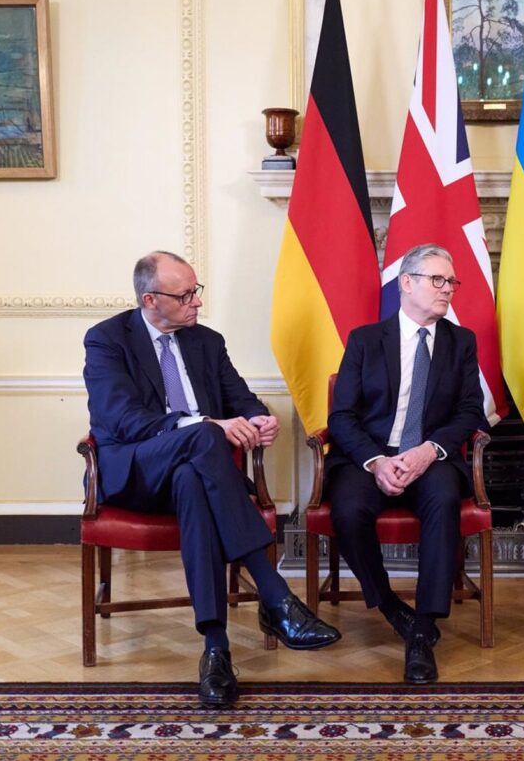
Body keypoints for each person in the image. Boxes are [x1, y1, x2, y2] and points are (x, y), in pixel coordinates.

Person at [83, 251, 340, 708]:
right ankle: (275, 595)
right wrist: (206, 424)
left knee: (191, 479)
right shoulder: (107, 340)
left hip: (195, 477)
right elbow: (120, 420)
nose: (196, 303)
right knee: (202, 435)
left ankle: (215, 650)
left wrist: (261, 421)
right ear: (149, 300)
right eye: (184, 296)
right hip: (137, 474)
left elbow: (242, 398)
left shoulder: (206, 342)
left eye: (195, 291)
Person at [325, 243, 487, 685]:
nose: (448, 289)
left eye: (451, 281)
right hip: (369, 457)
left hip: (430, 457)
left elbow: (470, 411)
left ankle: (424, 627)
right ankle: (392, 606)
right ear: (407, 283)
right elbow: (341, 416)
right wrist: (377, 461)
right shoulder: (364, 340)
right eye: (437, 280)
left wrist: (427, 451)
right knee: (349, 510)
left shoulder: (461, 341)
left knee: (442, 499)